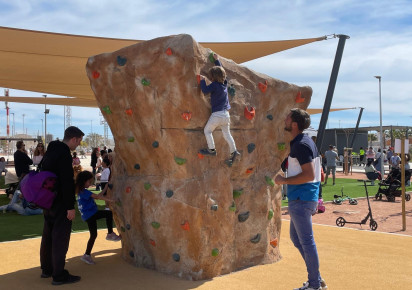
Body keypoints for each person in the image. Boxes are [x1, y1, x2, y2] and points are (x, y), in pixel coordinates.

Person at [274, 108, 326, 290]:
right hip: (303, 197)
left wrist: (283, 180)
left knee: (306, 241)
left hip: (302, 198)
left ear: (294, 124)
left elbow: (310, 174)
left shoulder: (301, 145)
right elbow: (317, 173)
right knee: (296, 239)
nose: (285, 120)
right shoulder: (303, 142)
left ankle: (314, 284)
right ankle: (316, 278)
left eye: (287, 118)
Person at [39, 126, 84, 285]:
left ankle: (47, 269)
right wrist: (70, 207)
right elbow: (66, 182)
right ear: (74, 139)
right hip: (60, 203)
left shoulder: (51, 150)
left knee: (48, 235)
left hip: (47, 201)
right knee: (60, 239)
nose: (78, 145)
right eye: (78, 142)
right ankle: (59, 275)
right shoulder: (64, 154)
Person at [198, 53, 240, 165]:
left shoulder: (214, 85)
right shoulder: (224, 84)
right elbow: (221, 72)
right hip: (226, 115)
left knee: (207, 131)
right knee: (227, 134)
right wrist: (217, 60)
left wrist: (202, 80)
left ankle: (211, 149)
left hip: (217, 115)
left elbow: (205, 90)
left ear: (212, 77)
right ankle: (234, 151)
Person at [75, 171, 120, 265]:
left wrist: (106, 187)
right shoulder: (84, 192)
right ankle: (110, 233)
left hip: (88, 216)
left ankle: (86, 255)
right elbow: (98, 197)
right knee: (108, 214)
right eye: (89, 182)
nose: (90, 183)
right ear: (84, 181)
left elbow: (98, 196)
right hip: (91, 214)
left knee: (93, 235)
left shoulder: (81, 191)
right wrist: (112, 200)